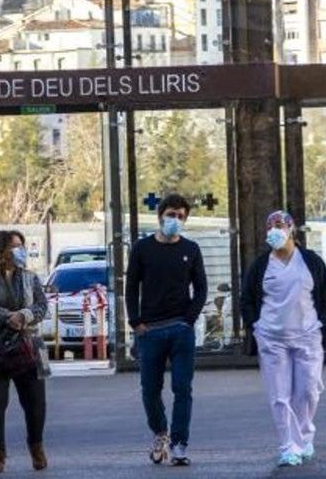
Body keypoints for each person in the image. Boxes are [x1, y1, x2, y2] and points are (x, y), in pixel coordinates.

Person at [240, 210, 326, 468]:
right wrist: (256, 326)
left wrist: (324, 325)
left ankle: (304, 437)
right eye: (269, 225)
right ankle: (288, 446)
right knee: (279, 395)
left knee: (308, 390)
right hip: (272, 339)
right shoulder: (261, 266)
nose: (274, 230)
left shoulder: (310, 261)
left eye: (279, 225)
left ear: (291, 228)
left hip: (307, 335)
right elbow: (247, 299)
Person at [126, 194, 207, 466]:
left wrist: (189, 319)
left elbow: (201, 288)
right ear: (160, 215)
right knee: (150, 389)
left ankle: (180, 444)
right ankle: (160, 432)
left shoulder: (191, 249)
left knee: (182, 388)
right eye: (171, 214)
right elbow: (131, 287)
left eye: (181, 216)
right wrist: (136, 322)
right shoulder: (142, 248)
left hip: (181, 329)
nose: (176, 220)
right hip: (150, 330)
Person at [0, 230, 51, 474]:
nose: (19, 250)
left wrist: (24, 316)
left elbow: (42, 305)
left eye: (21, 246)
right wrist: (7, 317)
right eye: (14, 246)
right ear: (1, 250)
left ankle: (37, 448)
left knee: (35, 402)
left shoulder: (29, 276)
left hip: (29, 346)